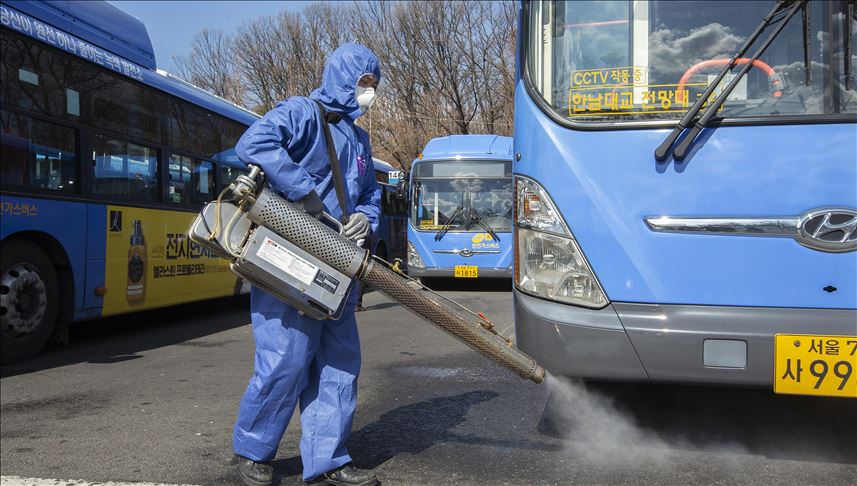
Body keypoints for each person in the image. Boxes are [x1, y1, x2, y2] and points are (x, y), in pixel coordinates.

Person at [231, 43, 382, 486]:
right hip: (289, 259)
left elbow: (371, 194)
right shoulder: (301, 112)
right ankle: (254, 449)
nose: (368, 94)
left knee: (339, 364)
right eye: (363, 84)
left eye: (373, 86)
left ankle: (328, 460)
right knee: (286, 359)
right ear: (342, 79)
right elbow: (253, 141)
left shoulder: (359, 138)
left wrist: (365, 218)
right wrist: (303, 192)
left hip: (340, 267)